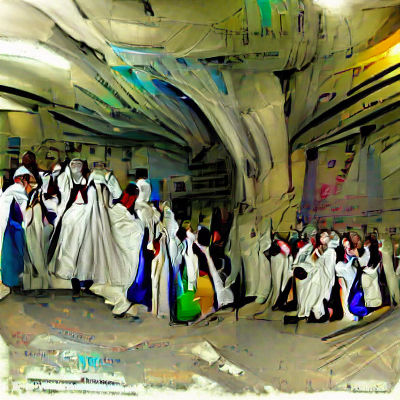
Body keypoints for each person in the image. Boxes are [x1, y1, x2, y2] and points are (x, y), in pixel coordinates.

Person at [0, 167, 33, 299]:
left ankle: (13, 283)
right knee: (14, 256)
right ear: (22, 179)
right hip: (11, 228)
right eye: (27, 179)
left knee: (12, 256)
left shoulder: (11, 189)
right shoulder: (17, 188)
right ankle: (14, 284)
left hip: (11, 227)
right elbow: (25, 210)